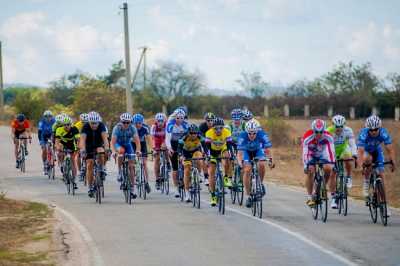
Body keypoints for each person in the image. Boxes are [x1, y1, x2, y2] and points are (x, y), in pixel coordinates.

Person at [357, 115, 396, 207]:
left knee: (382, 177)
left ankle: (385, 203)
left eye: (376, 129)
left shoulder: (383, 133)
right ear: (368, 129)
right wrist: (361, 165)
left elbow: (390, 149)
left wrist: (392, 162)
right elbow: (360, 151)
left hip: (377, 151)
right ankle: (366, 182)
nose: (373, 131)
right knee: (368, 159)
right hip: (366, 151)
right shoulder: (364, 133)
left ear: (380, 127)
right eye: (371, 130)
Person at [237, 119, 273, 208]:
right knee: (247, 169)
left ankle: (260, 183)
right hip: (246, 152)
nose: (252, 135)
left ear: (257, 131)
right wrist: (240, 163)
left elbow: (268, 150)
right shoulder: (242, 136)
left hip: (257, 151)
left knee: (261, 164)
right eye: (250, 133)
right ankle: (248, 196)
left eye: (254, 133)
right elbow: (240, 153)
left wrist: (271, 161)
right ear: (246, 132)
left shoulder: (262, 134)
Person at [302, 119, 336, 208]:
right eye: (316, 132)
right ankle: (309, 197)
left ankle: (322, 186)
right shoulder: (307, 137)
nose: (318, 134)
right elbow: (305, 153)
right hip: (311, 154)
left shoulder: (329, 137)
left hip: (323, 153)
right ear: (313, 130)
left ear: (324, 130)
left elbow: (331, 152)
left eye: (321, 132)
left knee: (328, 168)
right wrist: (306, 165)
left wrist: (332, 164)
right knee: (311, 170)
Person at [79, 111, 110, 198]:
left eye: (96, 123)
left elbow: (105, 139)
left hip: (98, 144)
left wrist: (107, 148)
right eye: (92, 123)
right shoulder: (85, 127)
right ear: (89, 122)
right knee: (89, 164)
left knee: (101, 151)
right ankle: (90, 187)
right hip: (88, 146)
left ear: (98, 122)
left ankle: (102, 168)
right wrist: (83, 150)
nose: (94, 125)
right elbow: (82, 140)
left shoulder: (101, 126)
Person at [205, 117, 233, 206]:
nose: (218, 130)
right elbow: (207, 147)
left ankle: (225, 178)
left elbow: (229, 146)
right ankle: (213, 195)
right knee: (211, 173)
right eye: (216, 128)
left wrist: (231, 155)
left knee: (227, 156)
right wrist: (208, 156)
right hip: (212, 152)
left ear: (223, 127)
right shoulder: (209, 133)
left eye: (220, 128)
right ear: (213, 128)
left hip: (222, 149)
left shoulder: (227, 132)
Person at [111, 113, 141, 198]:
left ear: (130, 122)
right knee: (121, 151)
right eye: (124, 122)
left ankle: (132, 188)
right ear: (121, 122)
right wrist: (113, 151)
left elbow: (137, 141)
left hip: (128, 144)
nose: (126, 124)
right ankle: (120, 171)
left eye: (128, 122)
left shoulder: (132, 128)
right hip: (118, 144)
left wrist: (138, 150)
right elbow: (112, 142)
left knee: (131, 166)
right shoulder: (117, 128)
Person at [326, 115, 357, 191]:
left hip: (343, 149)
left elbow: (352, 144)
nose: (339, 128)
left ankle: (348, 177)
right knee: (333, 174)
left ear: (344, 125)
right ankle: (333, 196)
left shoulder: (348, 130)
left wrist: (354, 154)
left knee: (348, 159)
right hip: (333, 151)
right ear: (333, 125)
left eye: (341, 126)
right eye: (337, 126)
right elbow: (325, 146)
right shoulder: (328, 131)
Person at [177, 124, 205, 202]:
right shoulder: (185, 137)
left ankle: (199, 174)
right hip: (185, 153)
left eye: (195, 133)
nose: (193, 135)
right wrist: (180, 156)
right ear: (188, 133)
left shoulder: (200, 137)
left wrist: (207, 154)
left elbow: (205, 146)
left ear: (197, 133)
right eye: (191, 133)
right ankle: (187, 193)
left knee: (199, 158)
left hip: (196, 151)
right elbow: (179, 148)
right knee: (187, 170)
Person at [166, 109, 188, 198]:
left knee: (186, 163)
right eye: (177, 118)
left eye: (181, 118)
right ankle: (176, 188)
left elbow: (189, 137)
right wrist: (169, 148)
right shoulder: (170, 124)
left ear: (184, 118)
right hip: (173, 144)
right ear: (175, 118)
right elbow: (167, 138)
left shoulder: (186, 124)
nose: (179, 120)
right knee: (175, 167)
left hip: (183, 144)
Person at [55, 115, 80, 189]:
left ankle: (74, 179)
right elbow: (57, 141)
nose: (66, 126)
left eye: (68, 124)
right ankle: (62, 165)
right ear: (63, 125)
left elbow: (78, 140)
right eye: (65, 125)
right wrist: (58, 148)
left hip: (71, 144)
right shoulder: (59, 129)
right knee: (60, 152)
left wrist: (78, 148)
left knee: (73, 160)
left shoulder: (75, 129)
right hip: (62, 143)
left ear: (71, 124)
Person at [132, 113, 152, 194]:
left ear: (142, 123)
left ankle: (146, 182)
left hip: (142, 144)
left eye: (139, 123)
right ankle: (134, 176)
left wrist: (152, 149)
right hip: (132, 144)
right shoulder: (131, 128)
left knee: (144, 163)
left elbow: (149, 140)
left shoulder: (145, 128)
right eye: (136, 123)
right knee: (132, 162)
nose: (138, 125)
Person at [198, 112, 216, 186]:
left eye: (212, 120)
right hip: (203, 143)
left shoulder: (215, 125)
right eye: (208, 120)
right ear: (205, 121)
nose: (210, 122)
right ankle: (206, 177)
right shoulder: (202, 126)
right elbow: (200, 137)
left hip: (213, 143)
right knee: (203, 158)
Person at [151, 113, 167, 190]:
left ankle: (167, 163)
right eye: (158, 121)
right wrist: (154, 149)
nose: (160, 123)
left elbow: (168, 137)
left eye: (162, 121)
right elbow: (153, 139)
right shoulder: (154, 127)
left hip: (165, 140)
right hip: (157, 142)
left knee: (166, 149)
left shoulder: (167, 126)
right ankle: (157, 179)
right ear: (156, 121)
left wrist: (166, 144)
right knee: (157, 159)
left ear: (164, 121)